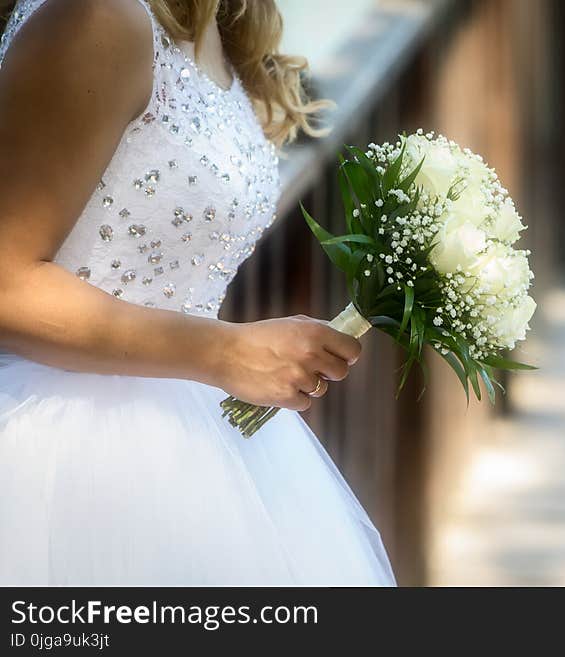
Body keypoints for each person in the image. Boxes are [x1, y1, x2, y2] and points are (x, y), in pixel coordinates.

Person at [0, 0, 395, 585]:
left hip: (198, 439)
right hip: (63, 461)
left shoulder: (221, 27)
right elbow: (7, 282)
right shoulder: (98, 18)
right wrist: (226, 352)